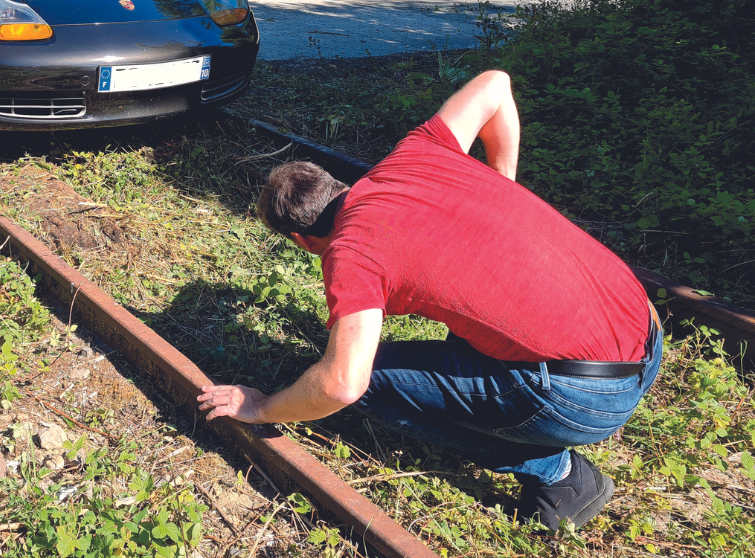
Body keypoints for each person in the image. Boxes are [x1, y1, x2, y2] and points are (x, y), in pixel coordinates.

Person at [198, 70, 662, 533]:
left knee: (370, 382)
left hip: (590, 397)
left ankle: (560, 475)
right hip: (647, 332)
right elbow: (495, 85)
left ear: (301, 240)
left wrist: (260, 407)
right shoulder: (416, 154)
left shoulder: (350, 252)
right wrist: (503, 186)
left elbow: (342, 384)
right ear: (335, 184)